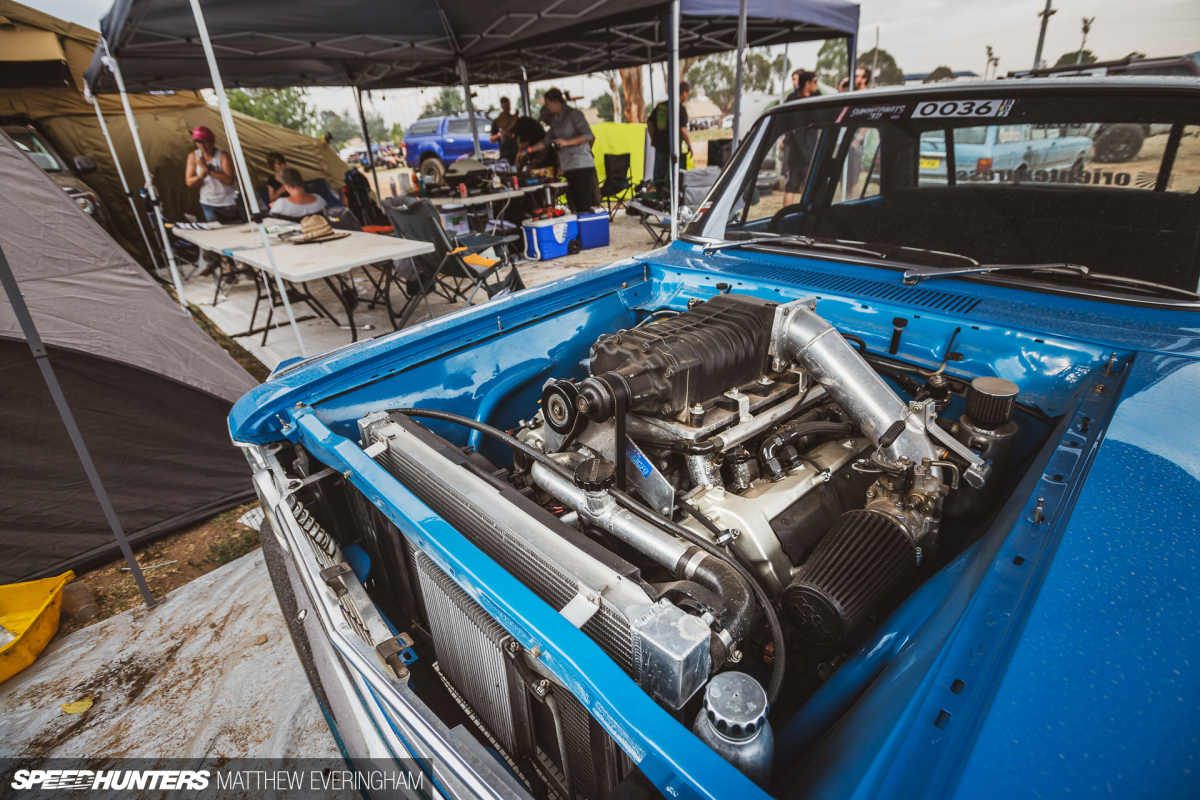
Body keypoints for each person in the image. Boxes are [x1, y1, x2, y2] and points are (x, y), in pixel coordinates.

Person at [518, 88, 599, 213]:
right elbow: (546, 141)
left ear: (555, 101)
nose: (547, 107)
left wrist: (568, 142)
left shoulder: (574, 115)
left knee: (584, 203)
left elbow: (588, 135)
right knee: (574, 204)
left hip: (581, 165)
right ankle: (580, 230)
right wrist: (527, 151)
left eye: (548, 103)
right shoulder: (555, 120)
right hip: (568, 167)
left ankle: (589, 230)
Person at [185, 125, 243, 275]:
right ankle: (228, 268)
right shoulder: (194, 156)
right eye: (198, 143)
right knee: (218, 237)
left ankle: (245, 264)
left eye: (205, 142)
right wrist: (201, 175)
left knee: (237, 234)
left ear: (212, 141)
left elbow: (229, 179)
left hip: (228, 200)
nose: (202, 146)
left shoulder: (222, 155)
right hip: (208, 202)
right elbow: (189, 182)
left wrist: (209, 170)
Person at [782, 71, 821, 208]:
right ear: (807, 83)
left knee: (793, 187)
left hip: (798, 152)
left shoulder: (792, 100)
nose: (817, 85)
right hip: (805, 153)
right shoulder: (814, 101)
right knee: (800, 187)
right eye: (815, 82)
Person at [648, 81, 691, 186]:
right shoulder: (680, 108)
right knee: (671, 183)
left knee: (657, 182)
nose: (686, 97)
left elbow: (649, 122)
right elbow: (682, 130)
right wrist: (690, 144)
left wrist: (653, 139)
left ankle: (655, 200)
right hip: (672, 151)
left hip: (659, 150)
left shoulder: (661, 106)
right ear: (684, 93)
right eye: (687, 94)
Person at [490, 96, 518, 163]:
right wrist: (500, 134)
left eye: (508, 106)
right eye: (505, 106)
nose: (507, 108)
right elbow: (491, 139)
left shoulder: (515, 120)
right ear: (502, 106)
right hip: (504, 153)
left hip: (516, 151)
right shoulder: (496, 122)